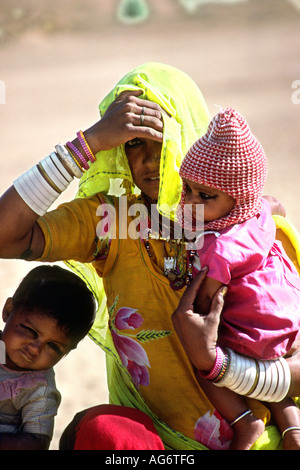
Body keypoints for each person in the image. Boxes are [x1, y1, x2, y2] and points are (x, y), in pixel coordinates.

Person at [0, 62, 299, 450]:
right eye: (132, 142)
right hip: (155, 443)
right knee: (100, 431)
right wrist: (87, 143)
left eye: (161, 136)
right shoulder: (112, 220)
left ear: (192, 138)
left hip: (254, 442)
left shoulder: (246, 233)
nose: (146, 159)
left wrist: (219, 364)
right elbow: (7, 236)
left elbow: (295, 365)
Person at [176, 106, 300, 449]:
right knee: (274, 367)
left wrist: (198, 334)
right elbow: (277, 206)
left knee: (202, 359)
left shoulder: (218, 251)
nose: (191, 203)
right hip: (288, 318)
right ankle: (293, 428)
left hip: (254, 333)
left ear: (238, 197)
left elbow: (203, 304)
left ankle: (244, 424)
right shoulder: (257, 208)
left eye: (205, 197)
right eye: (186, 189)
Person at [0, 265, 95, 450]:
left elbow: (37, 443)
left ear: (69, 350)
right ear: (8, 310)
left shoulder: (39, 389)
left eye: (53, 346)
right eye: (30, 331)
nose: (35, 349)